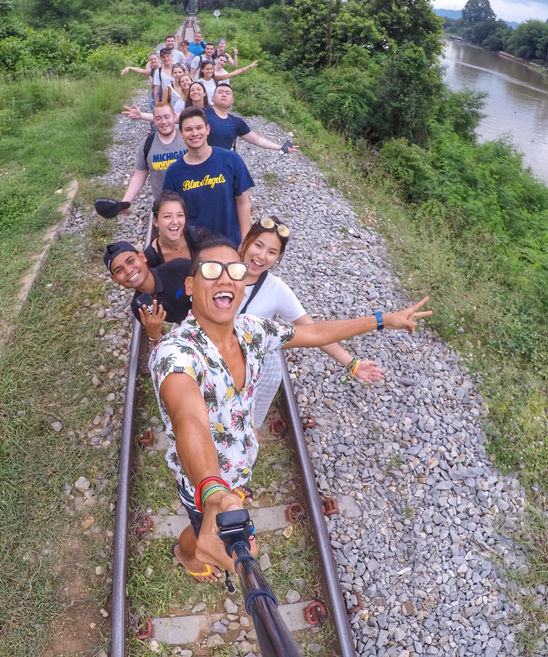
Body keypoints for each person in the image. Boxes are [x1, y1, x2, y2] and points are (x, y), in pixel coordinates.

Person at [150, 236, 431, 581]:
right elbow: (188, 419)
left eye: (234, 270)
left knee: (224, 509)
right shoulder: (175, 352)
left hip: (237, 466)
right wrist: (212, 492)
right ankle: (187, 555)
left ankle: (214, 514)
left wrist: (382, 319)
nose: (225, 278)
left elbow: (313, 333)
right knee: (199, 526)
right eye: (211, 270)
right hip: (203, 482)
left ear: (242, 287)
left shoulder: (251, 330)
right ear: (191, 285)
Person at [238, 216, 384, 427]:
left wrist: (352, 363)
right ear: (247, 240)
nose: (261, 256)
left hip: (245, 371)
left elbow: (314, 331)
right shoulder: (218, 266)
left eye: (272, 252)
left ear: (278, 257)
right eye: (258, 245)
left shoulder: (276, 289)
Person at [163, 107, 254, 247]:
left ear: (207, 129)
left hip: (231, 244)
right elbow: (170, 214)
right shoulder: (174, 172)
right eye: (188, 129)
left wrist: (245, 240)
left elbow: (243, 203)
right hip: (196, 249)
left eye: (199, 127)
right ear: (180, 133)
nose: (194, 133)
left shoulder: (231, 159)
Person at [104, 241, 192, 342]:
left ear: (142, 257)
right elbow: (162, 348)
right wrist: (154, 335)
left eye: (130, 261)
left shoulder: (178, 268)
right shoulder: (139, 307)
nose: (128, 271)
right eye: (119, 270)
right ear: (115, 279)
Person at [119, 102, 187, 203]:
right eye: (158, 118)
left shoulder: (188, 138)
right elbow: (139, 175)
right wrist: (126, 201)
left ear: (174, 117)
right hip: (162, 205)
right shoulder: (147, 144)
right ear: (153, 121)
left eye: (167, 117)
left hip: (190, 201)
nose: (163, 122)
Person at [206, 83, 299, 154]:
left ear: (232, 101)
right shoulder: (200, 114)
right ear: (212, 98)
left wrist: (280, 147)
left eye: (228, 93)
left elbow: (257, 139)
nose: (224, 95)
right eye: (220, 92)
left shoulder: (237, 122)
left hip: (220, 167)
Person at [143, 191, 210, 267]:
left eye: (180, 215)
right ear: (155, 222)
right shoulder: (150, 257)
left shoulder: (199, 237)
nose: (175, 221)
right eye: (167, 216)